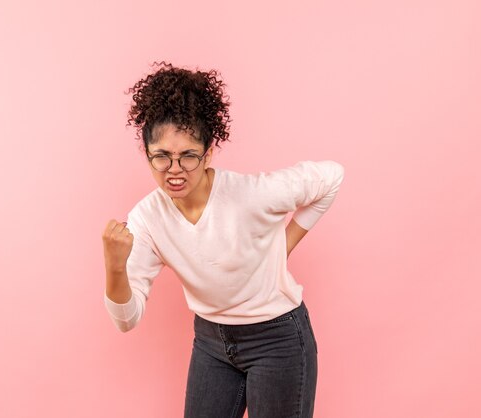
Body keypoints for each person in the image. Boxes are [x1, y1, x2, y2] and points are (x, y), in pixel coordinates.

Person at [102, 61, 345, 418]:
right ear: (147, 153)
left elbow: (331, 176)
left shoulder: (250, 194)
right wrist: (114, 267)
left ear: (209, 152)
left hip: (277, 339)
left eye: (188, 156)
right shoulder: (148, 218)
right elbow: (127, 319)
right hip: (211, 344)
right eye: (162, 157)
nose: (174, 170)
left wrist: (284, 244)